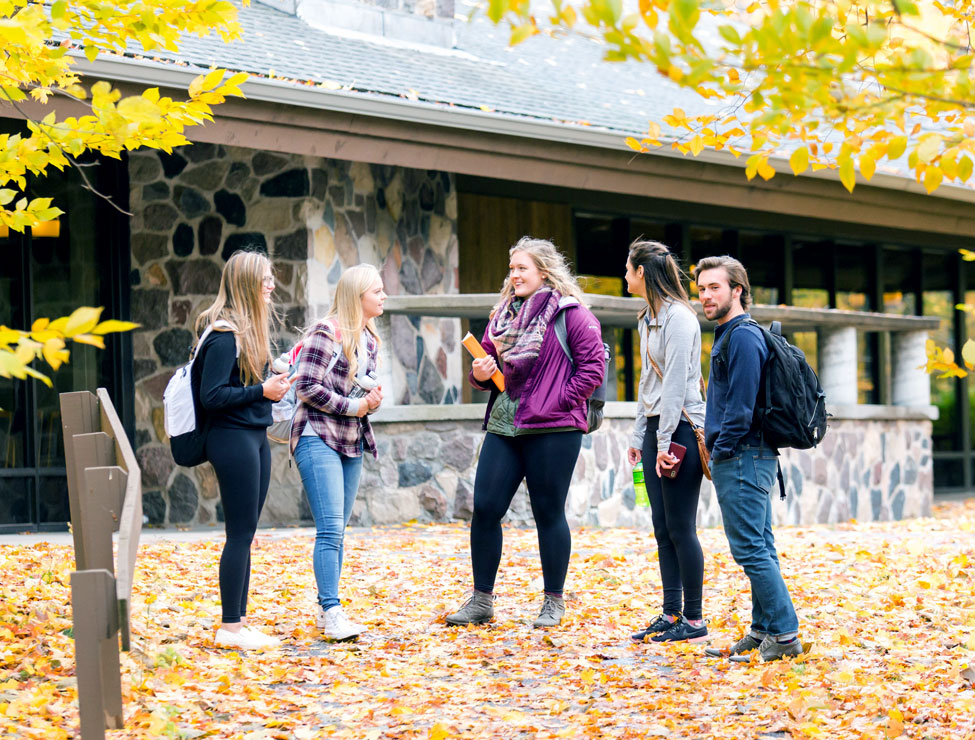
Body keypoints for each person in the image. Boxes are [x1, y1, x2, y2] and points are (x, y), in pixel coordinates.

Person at [445, 237, 604, 629]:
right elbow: (485, 365)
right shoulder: (503, 315)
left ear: (544, 272)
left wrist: (559, 401)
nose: (514, 275)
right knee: (484, 508)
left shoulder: (572, 314)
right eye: (511, 267)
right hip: (505, 422)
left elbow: (592, 369)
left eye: (522, 268)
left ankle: (553, 602)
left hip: (554, 426)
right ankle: (482, 600)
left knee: (548, 512)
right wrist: (479, 374)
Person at [695, 255, 802, 662]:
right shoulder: (731, 334)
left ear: (736, 290)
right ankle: (763, 631)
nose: (706, 296)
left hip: (741, 456)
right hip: (747, 456)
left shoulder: (741, 337)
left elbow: (739, 408)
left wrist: (720, 452)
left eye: (714, 288)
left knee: (750, 551)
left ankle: (786, 636)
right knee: (761, 546)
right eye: (702, 289)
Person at [196, 250, 293, 650]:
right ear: (248, 285)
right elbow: (211, 395)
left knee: (247, 533)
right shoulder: (222, 334)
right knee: (238, 535)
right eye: (266, 280)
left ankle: (239, 621)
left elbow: (240, 385)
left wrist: (273, 374)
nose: (271, 286)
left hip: (252, 434)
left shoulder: (247, 331)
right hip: (231, 439)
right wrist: (262, 390)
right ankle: (229, 629)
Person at [291, 264, 385, 641]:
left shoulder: (370, 340)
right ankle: (332, 612)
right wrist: (353, 407)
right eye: (376, 291)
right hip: (316, 435)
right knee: (330, 529)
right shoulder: (325, 333)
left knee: (338, 532)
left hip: (352, 438)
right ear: (357, 296)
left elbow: (360, 395)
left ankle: (324, 607)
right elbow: (306, 387)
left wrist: (371, 403)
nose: (383, 297)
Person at [624, 241, 708, 644]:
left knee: (680, 527)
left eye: (628, 269)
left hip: (679, 431)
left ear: (643, 272)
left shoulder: (680, 319)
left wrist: (661, 442)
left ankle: (693, 619)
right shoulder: (648, 317)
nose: (625, 276)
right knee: (662, 527)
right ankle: (671, 611)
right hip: (658, 428)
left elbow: (675, 386)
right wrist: (639, 435)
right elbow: (648, 381)